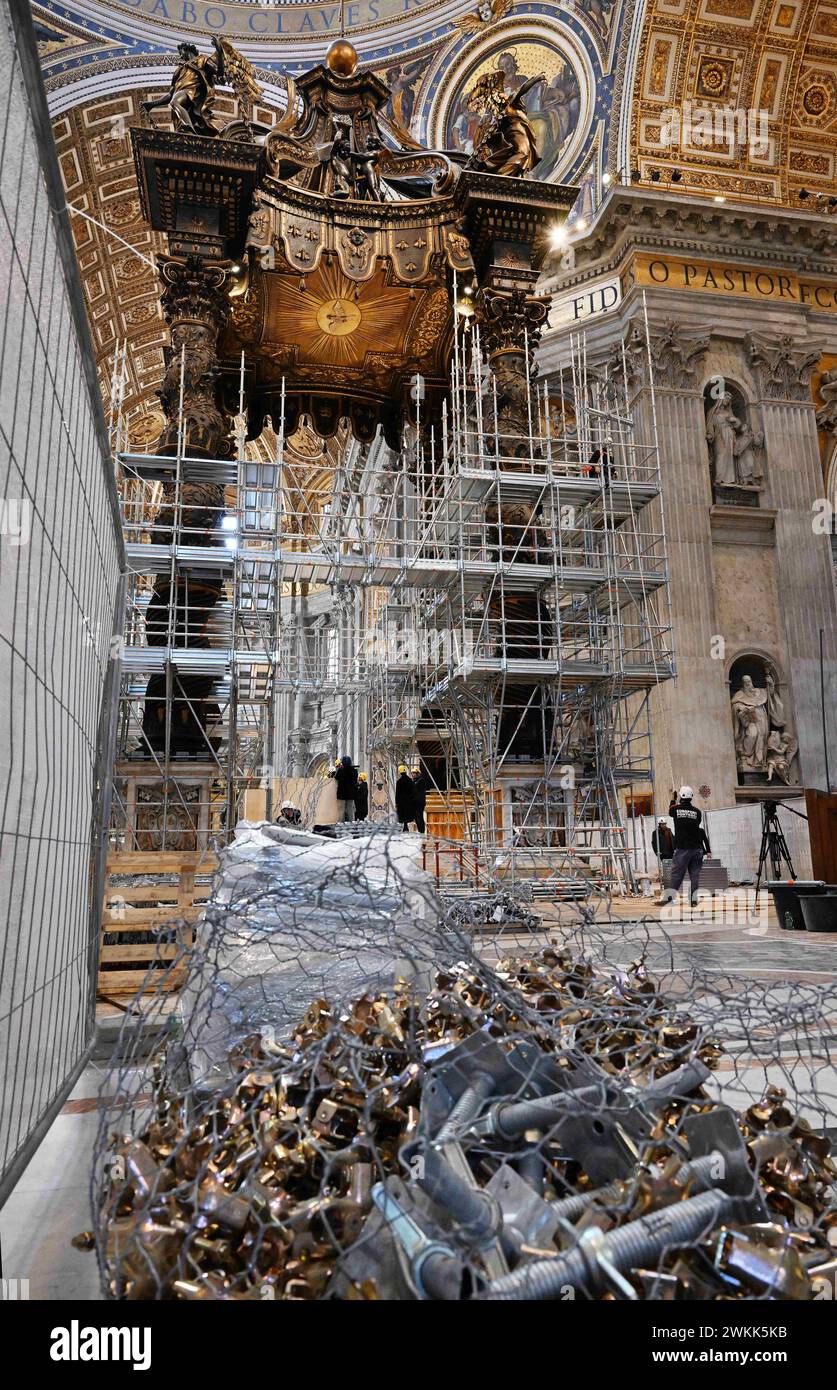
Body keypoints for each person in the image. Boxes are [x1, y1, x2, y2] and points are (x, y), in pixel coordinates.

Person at [656, 787, 711, 907]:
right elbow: (697, 824)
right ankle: (693, 900)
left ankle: (669, 898)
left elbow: (670, 811)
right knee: (695, 875)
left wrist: (672, 799)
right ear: (691, 797)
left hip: (683, 848)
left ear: (681, 797)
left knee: (677, 874)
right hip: (697, 849)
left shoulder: (676, 809)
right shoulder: (697, 812)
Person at [329, 755, 358, 822]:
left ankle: (340, 824)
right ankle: (351, 823)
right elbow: (355, 780)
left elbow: (335, 778)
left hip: (341, 794)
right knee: (350, 810)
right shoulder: (354, 771)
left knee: (341, 810)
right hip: (350, 794)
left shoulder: (341, 770)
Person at [395, 764, 415, 831]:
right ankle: (406, 826)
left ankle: (405, 826)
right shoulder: (410, 780)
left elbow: (397, 793)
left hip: (401, 801)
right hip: (408, 800)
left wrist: (396, 802)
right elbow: (413, 791)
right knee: (407, 813)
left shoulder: (399, 781)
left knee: (402, 813)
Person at [410, 766, 428, 834]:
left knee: (419, 817)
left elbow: (417, 791)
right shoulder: (414, 781)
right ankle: (420, 831)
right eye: (412, 773)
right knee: (416, 818)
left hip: (419, 803)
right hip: (415, 803)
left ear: (417, 773)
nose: (412, 774)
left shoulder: (421, 780)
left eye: (414, 773)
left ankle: (422, 831)